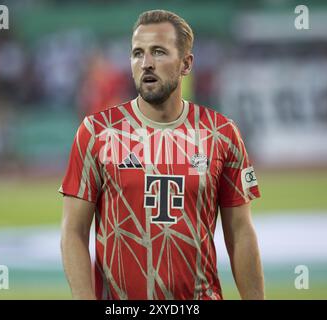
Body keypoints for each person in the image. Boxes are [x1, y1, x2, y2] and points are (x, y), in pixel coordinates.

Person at [59, 9, 264, 300]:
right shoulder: (96, 133)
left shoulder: (222, 134)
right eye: (137, 53)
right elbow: (73, 232)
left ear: (186, 63)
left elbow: (241, 232)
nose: (146, 64)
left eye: (158, 52)